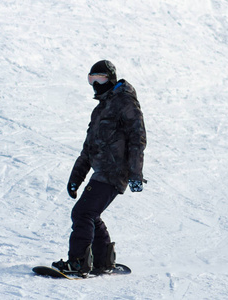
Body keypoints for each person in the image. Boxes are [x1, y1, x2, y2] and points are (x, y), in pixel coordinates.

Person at [52, 60, 146, 277]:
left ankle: (78, 263)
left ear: (111, 78)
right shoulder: (100, 110)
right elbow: (88, 148)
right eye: (91, 79)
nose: (95, 84)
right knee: (90, 214)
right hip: (102, 172)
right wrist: (76, 177)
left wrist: (135, 174)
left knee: (83, 212)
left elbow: (137, 138)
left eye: (100, 78)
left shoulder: (125, 102)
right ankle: (103, 261)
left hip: (115, 171)